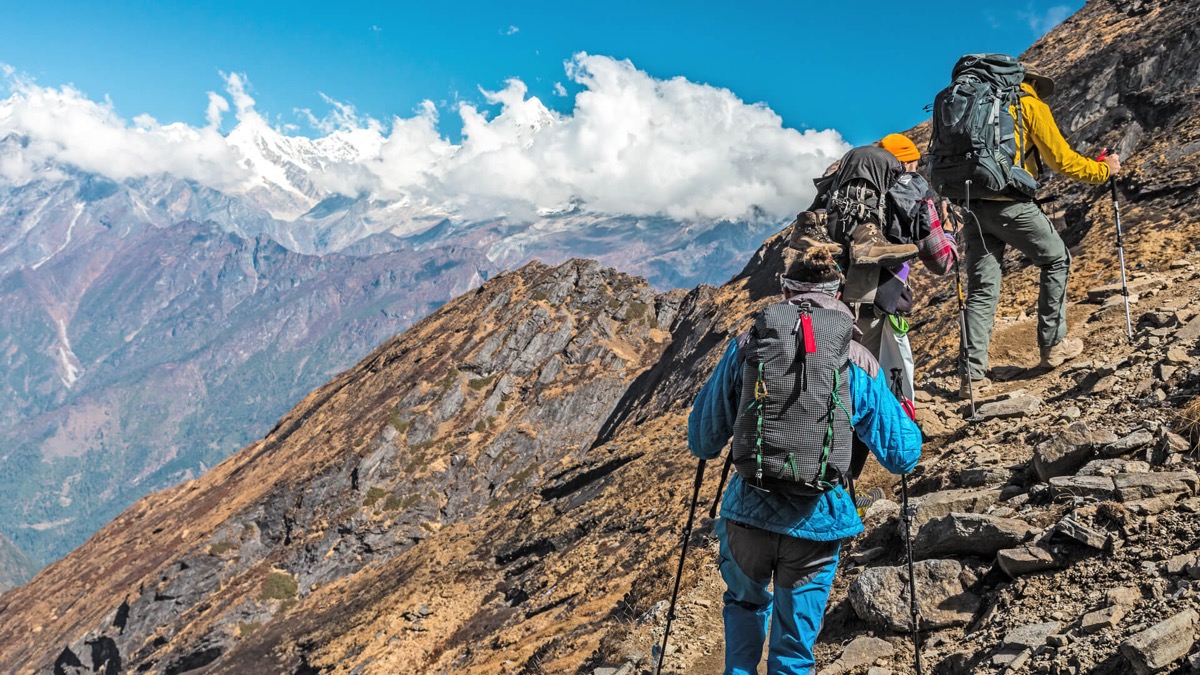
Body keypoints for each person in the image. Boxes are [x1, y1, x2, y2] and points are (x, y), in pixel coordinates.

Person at [687, 248, 922, 674]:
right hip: (818, 520)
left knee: (743, 602)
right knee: (794, 650)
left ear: (785, 290)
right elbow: (903, 455)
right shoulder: (856, 359)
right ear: (839, 296)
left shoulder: (747, 345)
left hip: (747, 512)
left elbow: (703, 441)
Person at [959, 64, 1122, 398]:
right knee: (1056, 259)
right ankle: (1053, 345)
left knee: (981, 289)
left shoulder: (969, 104)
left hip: (972, 203)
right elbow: (1062, 160)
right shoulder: (1028, 105)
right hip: (1010, 201)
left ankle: (972, 379)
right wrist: (1103, 170)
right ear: (1029, 81)